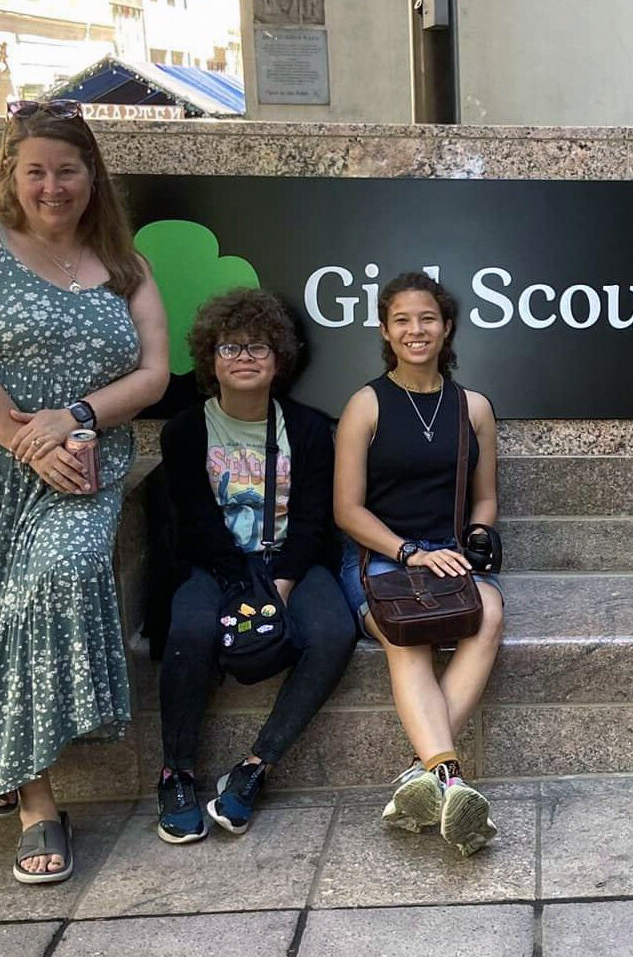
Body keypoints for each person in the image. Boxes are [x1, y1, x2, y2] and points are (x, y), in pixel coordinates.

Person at [0, 99, 169, 882]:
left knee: (52, 580)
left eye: (67, 170)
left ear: (93, 176)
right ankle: (35, 801)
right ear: (11, 176)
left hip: (82, 461)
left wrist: (74, 419)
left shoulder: (126, 264)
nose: (52, 186)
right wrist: (24, 439)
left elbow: (152, 373)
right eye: (37, 172)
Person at [155, 288, 356, 843]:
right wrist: (238, 588)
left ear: (279, 360)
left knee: (335, 631)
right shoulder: (187, 431)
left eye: (258, 348)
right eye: (230, 347)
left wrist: (282, 586)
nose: (244, 358)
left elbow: (316, 520)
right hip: (215, 564)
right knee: (191, 628)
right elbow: (195, 520)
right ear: (210, 358)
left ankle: (254, 767)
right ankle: (177, 772)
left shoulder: (311, 431)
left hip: (290, 560)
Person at [334, 271, 505, 857]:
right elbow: (346, 510)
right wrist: (410, 552)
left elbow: (484, 496)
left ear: (446, 326)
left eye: (427, 318)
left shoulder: (473, 407)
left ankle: (423, 774)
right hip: (381, 559)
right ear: (385, 330)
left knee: (489, 613)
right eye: (402, 319)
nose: (416, 329)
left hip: (450, 559)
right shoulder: (366, 405)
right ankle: (449, 777)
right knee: (406, 635)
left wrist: (478, 534)